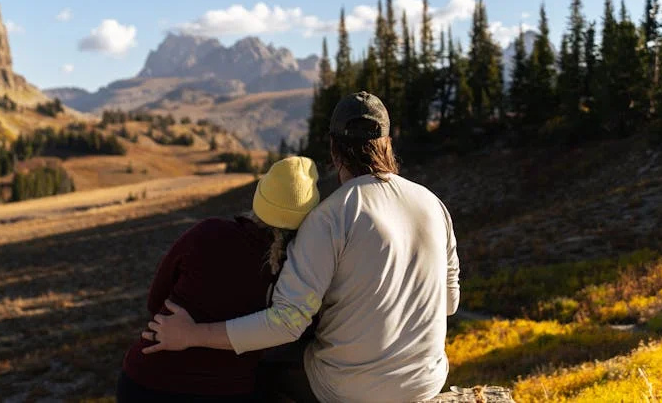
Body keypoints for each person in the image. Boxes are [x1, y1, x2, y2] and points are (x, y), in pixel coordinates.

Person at [143, 91, 461, 403]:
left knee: (264, 366)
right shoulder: (433, 203)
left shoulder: (329, 217)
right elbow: (450, 303)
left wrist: (192, 335)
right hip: (426, 380)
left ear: (335, 151)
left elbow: (286, 323)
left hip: (347, 391)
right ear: (387, 143)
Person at [118, 156, 320, 402]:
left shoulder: (207, 232)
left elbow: (155, 302)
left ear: (259, 199)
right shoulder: (297, 270)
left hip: (144, 381)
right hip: (224, 390)